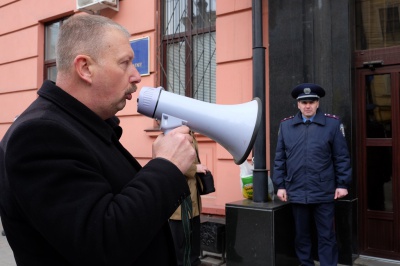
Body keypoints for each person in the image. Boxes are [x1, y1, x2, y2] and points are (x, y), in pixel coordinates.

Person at [0, 14, 196, 266]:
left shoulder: (81, 126)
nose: (136, 76)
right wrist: (167, 167)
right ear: (85, 68)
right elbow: (103, 242)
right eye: (125, 63)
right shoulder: (39, 135)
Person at [272, 83, 352, 266]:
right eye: (304, 102)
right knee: (302, 236)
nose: (308, 106)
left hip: (324, 191)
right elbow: (279, 159)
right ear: (298, 105)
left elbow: (341, 157)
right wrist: (280, 185)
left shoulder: (332, 124)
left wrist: (342, 184)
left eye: (312, 101)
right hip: (297, 191)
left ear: (318, 103)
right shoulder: (286, 126)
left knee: (326, 236)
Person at [169, 133, 209, 266]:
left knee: (193, 236)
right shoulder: (173, 133)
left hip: (192, 195)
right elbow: (171, 162)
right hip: (181, 198)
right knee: (181, 240)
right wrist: (195, 168)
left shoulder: (190, 133)